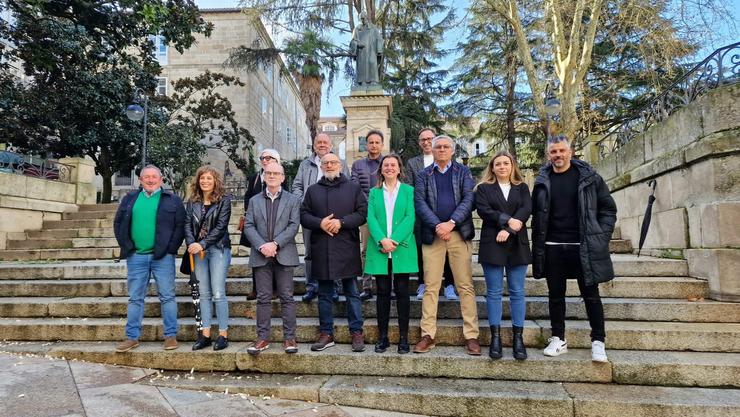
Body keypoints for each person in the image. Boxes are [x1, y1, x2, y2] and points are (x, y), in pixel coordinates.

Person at [532, 135, 617, 363]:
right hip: (553, 247)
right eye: (553, 152)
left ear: (571, 152)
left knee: (591, 296)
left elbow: (608, 210)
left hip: (583, 247)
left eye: (561, 151)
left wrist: (601, 235)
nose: (558, 155)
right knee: (555, 296)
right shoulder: (542, 181)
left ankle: (598, 341)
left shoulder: (589, 178)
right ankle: (558, 338)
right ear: (548, 155)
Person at [413, 135, 480, 355]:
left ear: (452, 150)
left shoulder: (463, 172)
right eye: (438, 147)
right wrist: (437, 226)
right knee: (431, 287)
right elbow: (420, 203)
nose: (441, 150)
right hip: (433, 237)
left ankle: (471, 336)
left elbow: (469, 199)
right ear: (431, 150)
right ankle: (428, 335)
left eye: (445, 147)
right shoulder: (424, 174)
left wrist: (451, 223)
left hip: (459, 234)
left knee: (465, 287)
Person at [300, 153, 368, 352]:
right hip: (322, 247)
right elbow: (304, 215)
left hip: (346, 246)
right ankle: (326, 333)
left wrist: (341, 222)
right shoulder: (313, 191)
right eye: (325, 163)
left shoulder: (353, 188)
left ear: (340, 165)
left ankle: (356, 332)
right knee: (324, 294)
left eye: (333, 162)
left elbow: (362, 213)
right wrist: (320, 223)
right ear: (321, 166)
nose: (329, 165)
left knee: (352, 293)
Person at [113, 165, 185, 352]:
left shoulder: (173, 200)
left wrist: (170, 249)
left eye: (154, 177)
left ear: (161, 179)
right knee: (135, 298)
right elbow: (119, 223)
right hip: (136, 255)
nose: (151, 180)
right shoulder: (130, 199)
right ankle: (132, 337)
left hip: (163, 257)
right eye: (147, 177)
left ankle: (170, 336)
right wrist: (126, 246)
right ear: (141, 180)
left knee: (167, 297)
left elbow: (180, 226)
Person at [475, 151, 532, 360]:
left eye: (505, 163)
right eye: (497, 164)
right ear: (492, 167)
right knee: (494, 292)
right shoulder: (483, 189)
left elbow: (527, 209)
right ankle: (495, 337)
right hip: (493, 244)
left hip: (517, 243)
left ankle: (518, 338)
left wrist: (508, 230)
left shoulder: (522, 187)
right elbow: (484, 210)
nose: (502, 166)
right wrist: (507, 220)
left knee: (517, 291)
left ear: (512, 166)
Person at [243, 162, 301, 355]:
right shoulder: (254, 200)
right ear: (264, 176)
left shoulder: (293, 200)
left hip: (284, 253)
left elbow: (293, 226)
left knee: (287, 297)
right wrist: (262, 246)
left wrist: (275, 244)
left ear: (283, 177)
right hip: (261, 255)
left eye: (276, 173)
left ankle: (290, 338)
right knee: (263, 298)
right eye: (269, 173)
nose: (272, 176)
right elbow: (249, 226)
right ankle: (262, 338)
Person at [364, 154, 417, 354]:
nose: (389, 168)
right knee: (382, 293)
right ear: (381, 169)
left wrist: (394, 240)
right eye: (385, 165)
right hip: (380, 248)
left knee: (403, 292)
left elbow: (410, 216)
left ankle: (403, 338)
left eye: (393, 165)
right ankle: (383, 337)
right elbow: (371, 218)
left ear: (399, 168)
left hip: (401, 247)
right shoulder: (374, 192)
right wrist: (382, 240)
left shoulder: (408, 191)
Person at [292, 133, 349, 302]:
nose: (322, 145)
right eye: (319, 142)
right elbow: (296, 186)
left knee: (335, 252)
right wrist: (304, 203)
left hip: (334, 216)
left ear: (331, 145)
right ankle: (312, 287)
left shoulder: (342, 163)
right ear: (314, 145)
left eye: (325, 142)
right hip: (311, 215)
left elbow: (347, 186)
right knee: (310, 253)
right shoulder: (305, 164)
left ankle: (334, 288)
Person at [405, 127, 457, 301]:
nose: (426, 142)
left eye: (429, 139)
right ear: (419, 143)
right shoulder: (413, 163)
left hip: (446, 216)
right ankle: (422, 283)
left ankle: (449, 284)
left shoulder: (448, 159)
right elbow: (411, 188)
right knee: (422, 250)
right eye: (423, 140)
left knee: (448, 252)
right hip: (422, 215)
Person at [185, 166, 232, 351]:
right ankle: (205, 334)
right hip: (197, 251)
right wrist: (191, 244)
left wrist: (202, 244)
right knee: (204, 293)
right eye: (202, 178)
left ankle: (222, 334)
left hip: (218, 249)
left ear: (215, 181)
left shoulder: (224, 201)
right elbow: (187, 225)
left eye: (209, 178)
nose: (205, 181)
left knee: (218, 293)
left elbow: (221, 227)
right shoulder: (192, 201)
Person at [242, 149, 282, 301]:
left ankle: (274, 288)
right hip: (257, 224)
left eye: (269, 158)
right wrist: (250, 211)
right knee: (257, 256)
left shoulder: (279, 176)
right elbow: (248, 196)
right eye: (262, 158)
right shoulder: (256, 177)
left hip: (275, 223)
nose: (265, 160)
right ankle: (256, 288)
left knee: (275, 257)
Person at [351, 129, 384, 301]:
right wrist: (369, 205)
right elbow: (354, 187)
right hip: (365, 214)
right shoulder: (358, 165)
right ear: (366, 144)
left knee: (386, 249)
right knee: (366, 251)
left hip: (386, 214)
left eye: (377, 142)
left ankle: (386, 286)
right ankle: (367, 286)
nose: (374, 145)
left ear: (382, 144)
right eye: (371, 142)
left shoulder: (388, 163)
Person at [349, 11, 383, 87]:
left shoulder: (373, 28)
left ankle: (373, 81)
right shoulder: (357, 29)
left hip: (372, 51)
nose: (362, 20)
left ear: (367, 18)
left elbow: (379, 39)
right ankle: (362, 83)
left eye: (364, 18)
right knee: (362, 68)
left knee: (372, 64)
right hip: (362, 53)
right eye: (361, 19)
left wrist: (379, 49)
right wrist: (357, 44)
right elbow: (352, 42)